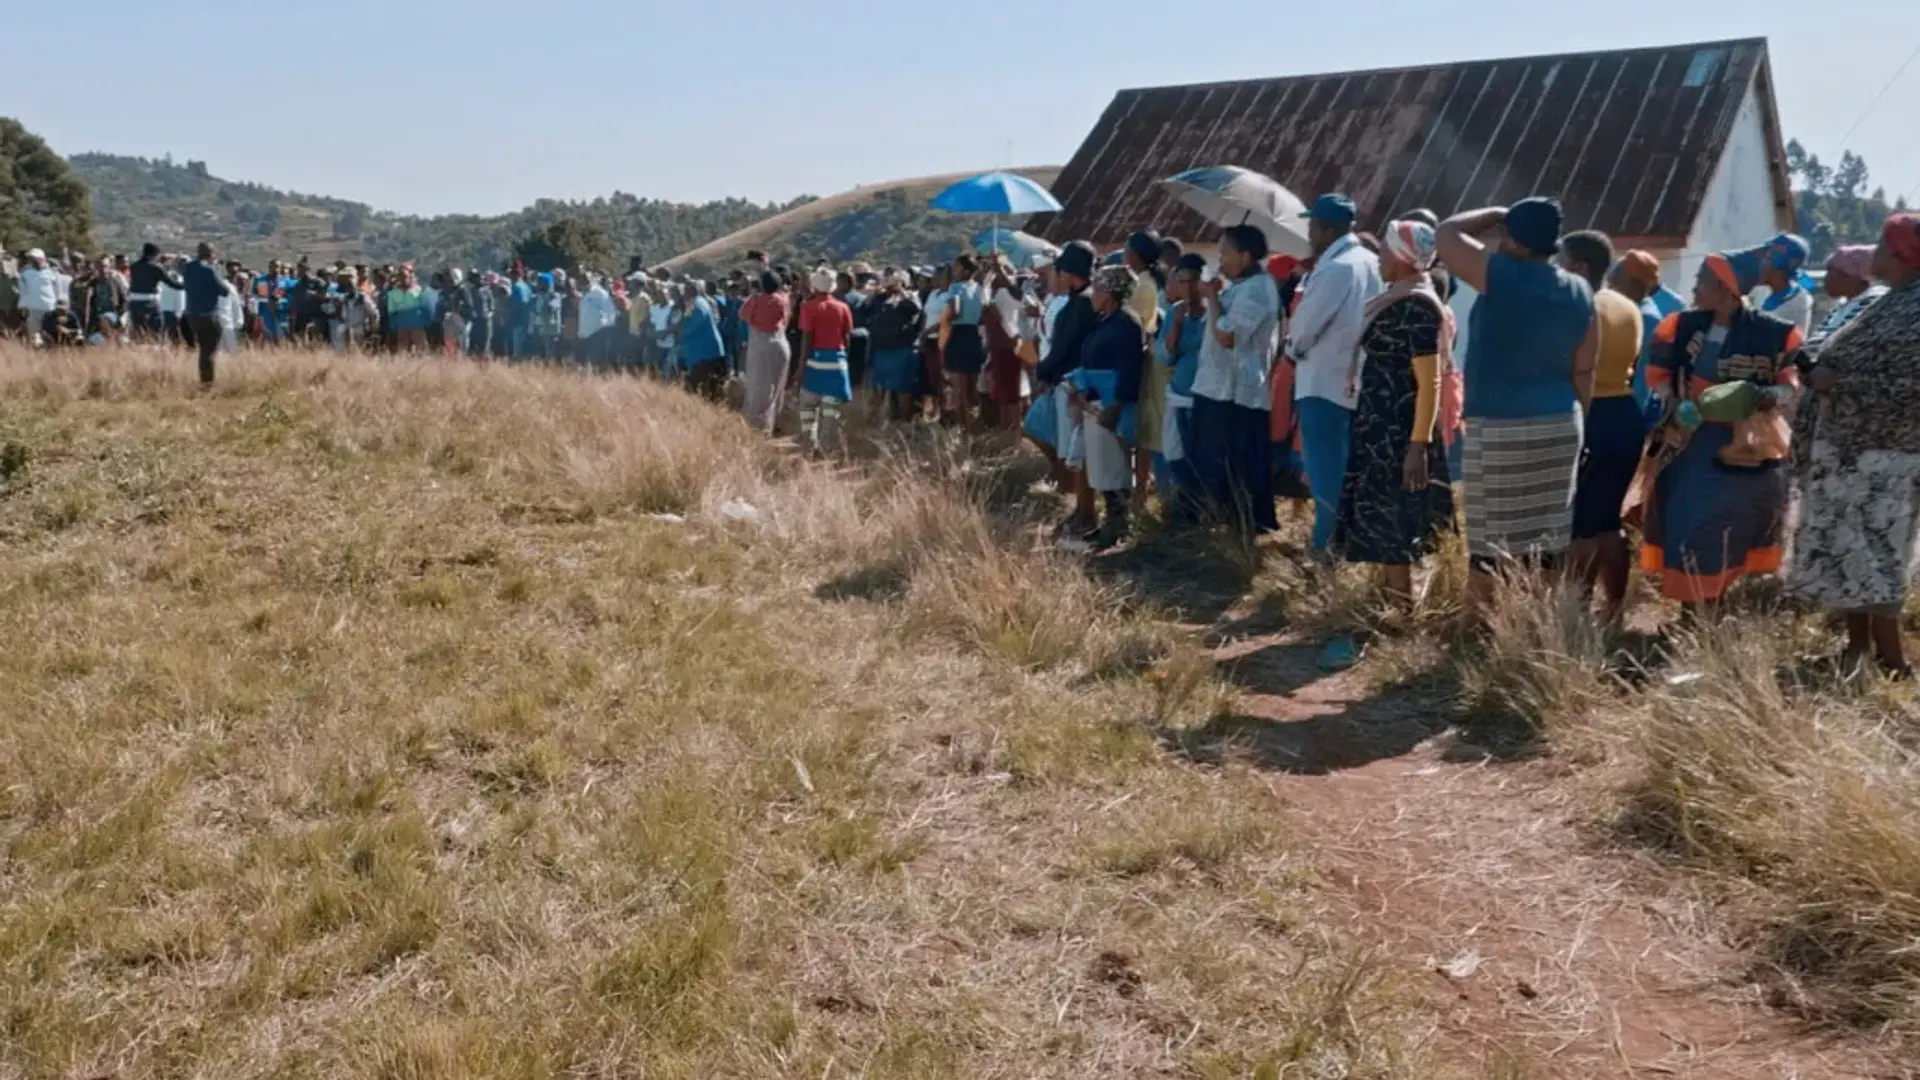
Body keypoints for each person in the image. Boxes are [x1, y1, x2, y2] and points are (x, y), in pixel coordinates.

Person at [1437, 198, 1597, 608]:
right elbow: (1583, 370)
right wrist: (1582, 426)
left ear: (1517, 242)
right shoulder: (1580, 289)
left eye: (1506, 235)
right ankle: (1537, 624)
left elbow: (1447, 234)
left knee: (1490, 545)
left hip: (1501, 426)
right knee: (1548, 541)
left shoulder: (1501, 274)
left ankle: (1478, 634)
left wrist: (1493, 212)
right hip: (1562, 423)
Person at [1320, 220, 1457, 669]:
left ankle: (1402, 620)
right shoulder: (1396, 299)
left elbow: (1430, 382)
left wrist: (1417, 445)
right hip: (1381, 425)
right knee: (1383, 520)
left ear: (1402, 256)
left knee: (1396, 526)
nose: (1377, 258)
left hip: (1399, 432)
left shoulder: (1416, 306)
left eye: (1384, 251)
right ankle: (1391, 608)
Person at [1788, 213, 1920, 674]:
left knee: (1880, 555)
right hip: (1851, 453)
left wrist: (1839, 382)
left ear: (1903, 254)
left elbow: (1910, 386)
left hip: (1887, 457)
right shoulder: (1886, 300)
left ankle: (1892, 661)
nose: (1874, 253)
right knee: (1851, 554)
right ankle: (1857, 650)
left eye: (1883, 245)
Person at [1640, 245, 1802, 609]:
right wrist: (1677, 401)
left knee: (1731, 525)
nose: (1695, 288)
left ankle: (1713, 604)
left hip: (1745, 445)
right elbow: (1660, 376)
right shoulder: (1681, 326)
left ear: (1726, 290)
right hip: (1689, 442)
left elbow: (1789, 385)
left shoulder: (1774, 333)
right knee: (1688, 521)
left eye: (1702, 281)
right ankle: (1692, 608)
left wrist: (1758, 395)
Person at [1288, 194, 1383, 552]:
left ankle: (1327, 546)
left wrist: (1291, 349)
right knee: (1347, 466)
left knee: (1325, 470)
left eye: (1312, 225)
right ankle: (1349, 541)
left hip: (1322, 380)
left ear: (1326, 229)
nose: (1309, 231)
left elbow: (1305, 327)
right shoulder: (1371, 261)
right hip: (1356, 378)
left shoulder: (1335, 267)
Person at [1559, 230, 1645, 618]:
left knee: (1581, 528)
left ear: (1578, 266)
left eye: (1561, 261)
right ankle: (1614, 607)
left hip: (1589, 415)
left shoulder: (1575, 306)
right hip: (1626, 415)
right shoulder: (1627, 306)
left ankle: (1575, 609)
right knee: (1609, 520)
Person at [1190, 224, 1283, 536]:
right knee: (1216, 461)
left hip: (1237, 392)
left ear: (1245, 256)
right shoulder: (1240, 286)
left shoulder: (1258, 288)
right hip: (1217, 388)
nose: (1220, 260)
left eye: (1225, 252)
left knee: (1240, 464)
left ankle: (1244, 526)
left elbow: (1228, 336)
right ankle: (1222, 521)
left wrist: (1212, 298)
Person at [1067, 265, 1148, 550]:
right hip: (1095, 399)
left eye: (1098, 290)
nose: (1093, 296)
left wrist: (1116, 404)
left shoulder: (1127, 323)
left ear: (1109, 294)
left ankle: (1118, 525)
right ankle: (1108, 522)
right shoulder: (1105, 321)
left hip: (1113, 402)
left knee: (1114, 465)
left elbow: (1130, 368)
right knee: (1100, 465)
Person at [1034, 242, 1101, 538]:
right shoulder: (1081, 300)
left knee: (1079, 452)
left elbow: (1064, 347)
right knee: (1074, 450)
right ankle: (1081, 509)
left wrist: (1043, 370)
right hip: (1070, 383)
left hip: (1076, 384)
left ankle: (1086, 512)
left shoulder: (1082, 303)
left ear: (1068, 273)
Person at [1159, 253, 1209, 524]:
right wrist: (1177, 323)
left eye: (1192, 281)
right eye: (1181, 281)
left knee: (1199, 457)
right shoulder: (1174, 313)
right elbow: (1165, 356)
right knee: (1175, 453)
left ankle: (1195, 513)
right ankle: (1181, 509)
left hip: (1204, 397)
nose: (1187, 288)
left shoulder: (1213, 313)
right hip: (1178, 393)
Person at [1122, 231, 1166, 500]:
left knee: (1142, 428)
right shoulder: (1148, 281)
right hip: (1146, 355)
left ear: (1135, 255)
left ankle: (1139, 489)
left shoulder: (1142, 286)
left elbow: (1135, 322)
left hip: (1142, 358)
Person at [797, 267, 856, 454]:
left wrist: (800, 367)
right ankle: (827, 451)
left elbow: (807, 338)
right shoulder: (843, 307)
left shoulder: (808, 307)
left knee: (807, 407)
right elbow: (847, 338)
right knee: (831, 413)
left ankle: (809, 446)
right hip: (837, 364)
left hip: (816, 363)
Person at [1805, 245, 1888, 361]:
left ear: (1851, 276)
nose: (1826, 279)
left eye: (1831, 272)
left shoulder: (1872, 303)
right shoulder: (1844, 304)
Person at [864, 269, 924, 422]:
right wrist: (876, 292)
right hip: (881, 350)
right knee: (878, 389)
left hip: (900, 350)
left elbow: (916, 309)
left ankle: (904, 422)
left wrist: (901, 291)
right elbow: (866, 309)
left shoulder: (911, 297)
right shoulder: (882, 298)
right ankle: (872, 421)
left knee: (901, 389)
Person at [739, 270, 793, 433]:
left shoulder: (756, 300)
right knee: (777, 387)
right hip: (780, 344)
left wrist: (754, 297)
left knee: (758, 388)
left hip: (762, 345)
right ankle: (775, 423)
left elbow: (743, 314)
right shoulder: (783, 299)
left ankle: (758, 429)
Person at [940, 254, 988, 425]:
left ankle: (962, 427)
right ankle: (974, 423)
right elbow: (983, 315)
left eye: (957, 267)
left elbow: (955, 310)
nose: (954, 271)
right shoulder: (979, 289)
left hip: (959, 335)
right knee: (971, 388)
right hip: (974, 335)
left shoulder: (955, 287)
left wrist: (946, 319)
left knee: (958, 388)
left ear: (966, 270)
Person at [180, 242, 233, 384]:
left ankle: (204, 379)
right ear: (211, 254)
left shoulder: (188, 268)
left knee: (203, 349)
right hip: (209, 315)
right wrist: (217, 272)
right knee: (209, 351)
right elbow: (224, 291)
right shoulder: (210, 270)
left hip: (192, 315)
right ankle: (208, 382)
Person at [1751, 233, 1814, 337]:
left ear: (1780, 265)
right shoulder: (1762, 292)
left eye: (1767, 259)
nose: (1761, 264)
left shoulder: (1798, 301)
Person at [679, 281, 729, 400]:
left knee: (698, 387)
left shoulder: (697, 303)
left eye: (686, 290)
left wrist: (681, 332)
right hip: (703, 351)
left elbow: (694, 322)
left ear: (693, 291)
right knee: (705, 387)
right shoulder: (695, 302)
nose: (683, 293)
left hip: (706, 352)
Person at [126, 243, 183, 342]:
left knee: (139, 332)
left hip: (134, 302)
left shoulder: (133, 266)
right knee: (156, 332)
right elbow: (172, 284)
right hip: (150, 303)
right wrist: (189, 286)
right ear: (155, 254)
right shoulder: (156, 267)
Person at [17, 248, 61, 345]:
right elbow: (23, 292)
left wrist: (58, 304)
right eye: (30, 259)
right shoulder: (25, 274)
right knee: (35, 338)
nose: (32, 261)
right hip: (33, 309)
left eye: (34, 259)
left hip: (50, 309)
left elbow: (57, 290)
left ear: (42, 259)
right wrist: (22, 307)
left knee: (50, 335)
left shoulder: (52, 273)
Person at [386, 266, 432, 353]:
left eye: (405, 276)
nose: (403, 279)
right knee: (402, 350)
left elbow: (425, 308)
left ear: (410, 276)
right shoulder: (392, 293)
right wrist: (393, 326)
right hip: (402, 326)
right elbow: (391, 312)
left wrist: (426, 323)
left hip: (417, 326)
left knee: (421, 350)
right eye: (401, 276)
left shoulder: (419, 291)